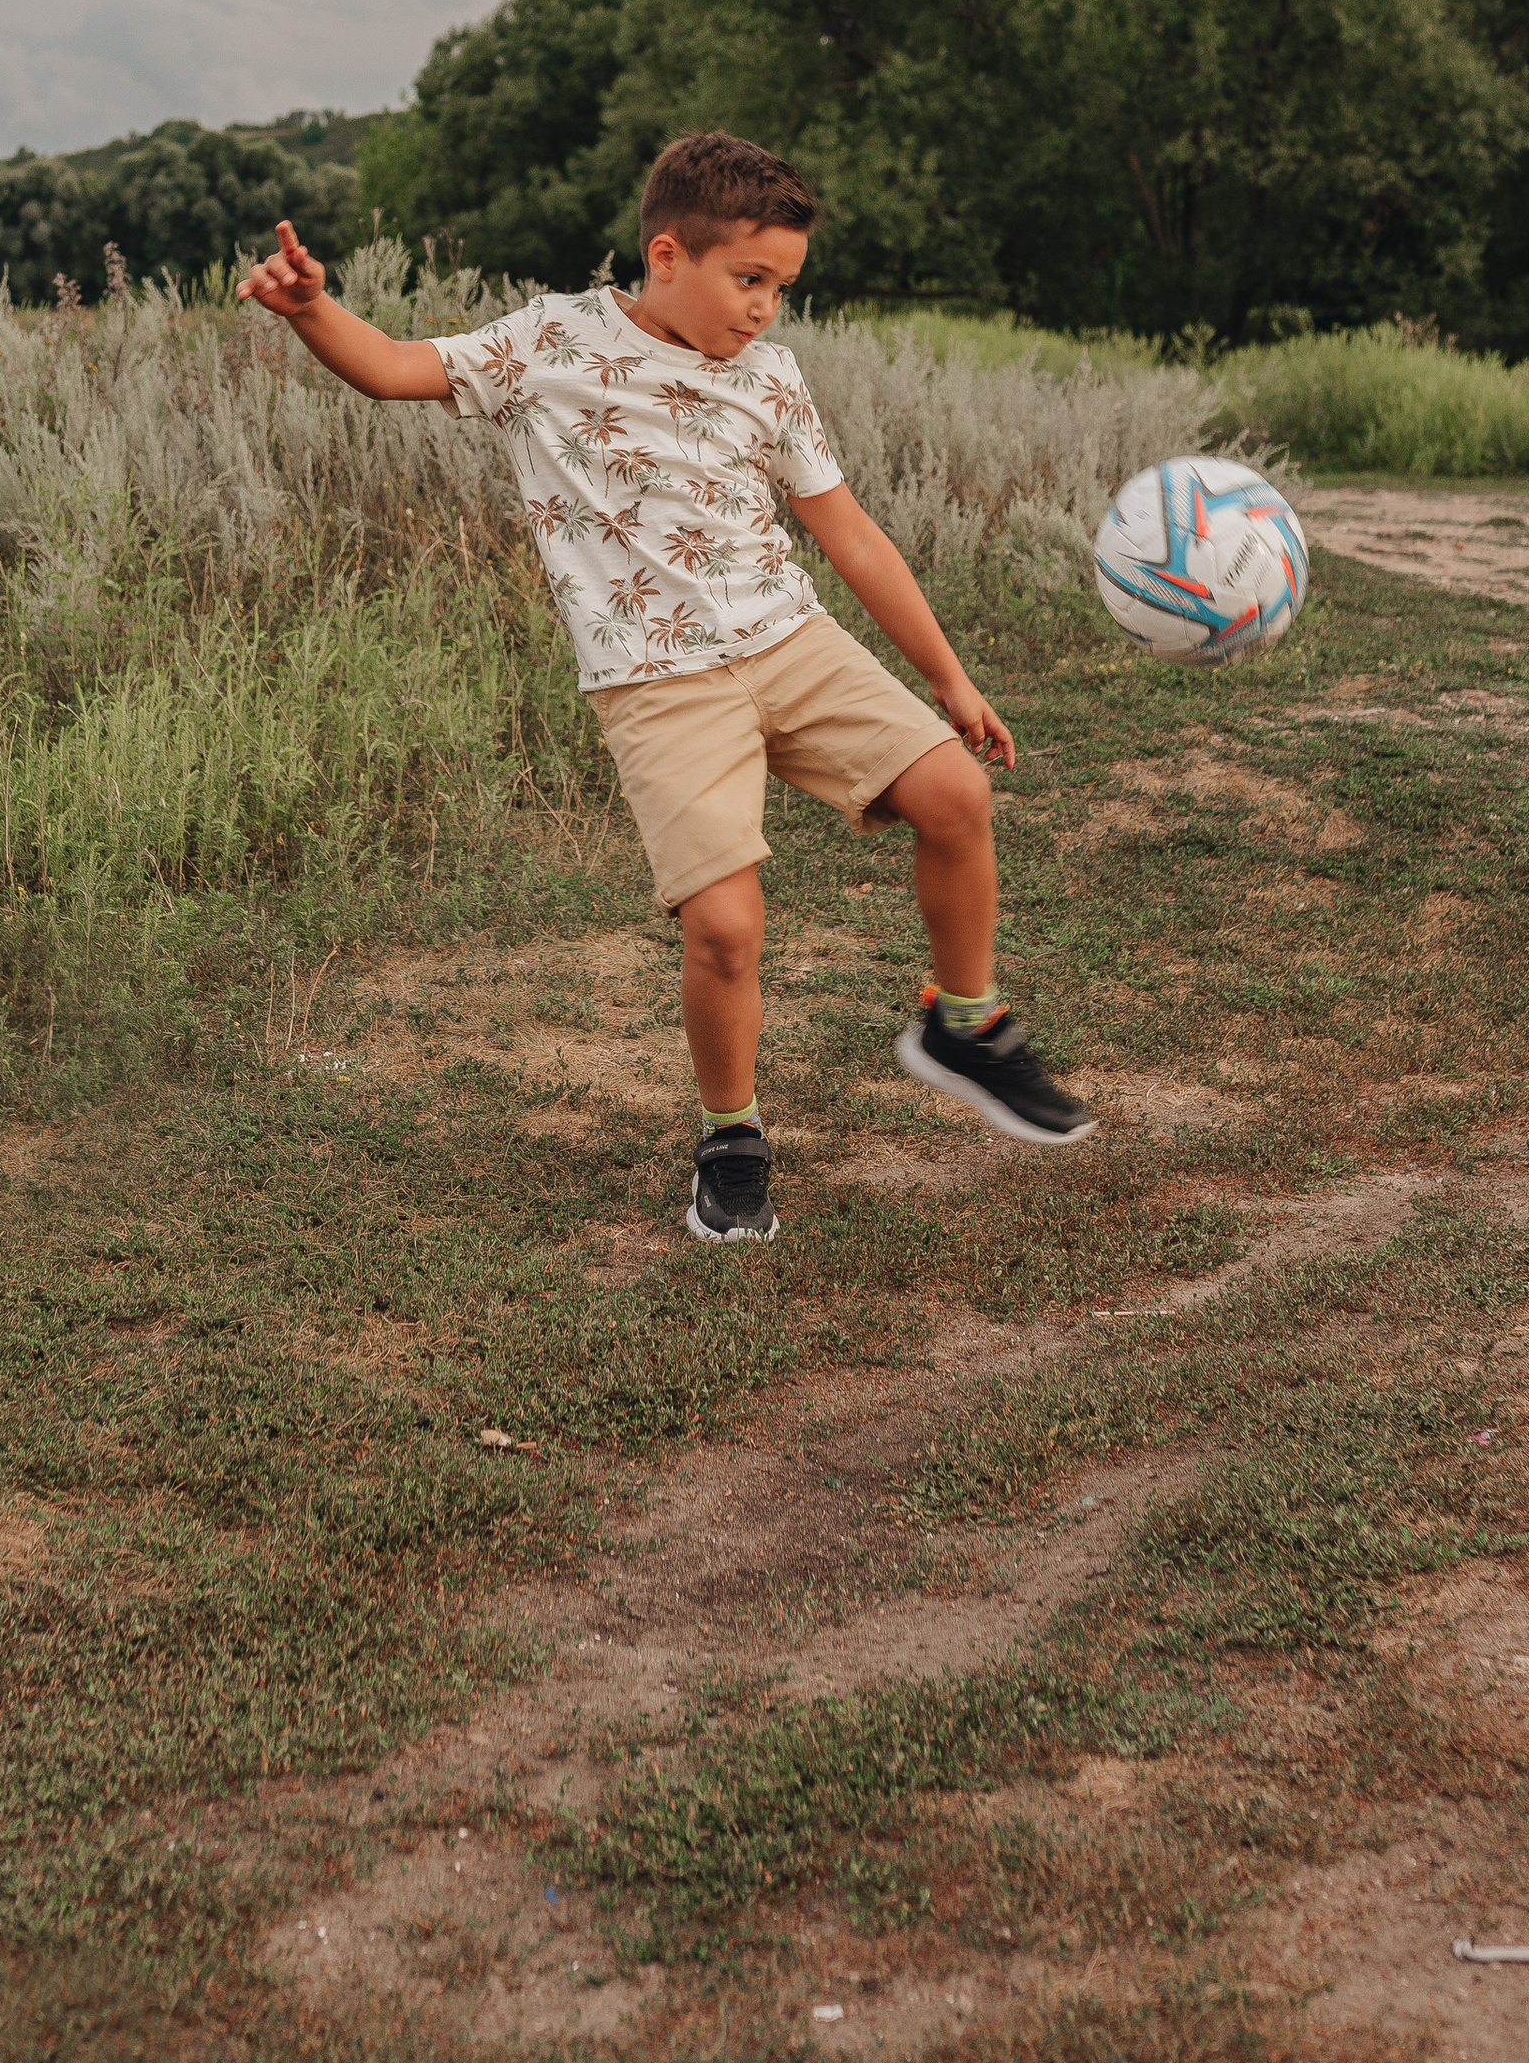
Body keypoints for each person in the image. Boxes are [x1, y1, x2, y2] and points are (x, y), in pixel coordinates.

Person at [237, 126, 1095, 1244]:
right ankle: (730, 1138)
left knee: (955, 797)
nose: (763, 311)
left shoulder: (771, 379)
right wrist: (312, 310)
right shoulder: (550, 339)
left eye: (781, 289)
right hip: (656, 681)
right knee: (726, 928)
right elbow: (397, 368)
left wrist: (950, 679)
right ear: (664, 257)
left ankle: (964, 1027)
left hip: (789, 641)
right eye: (749, 281)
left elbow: (853, 538)